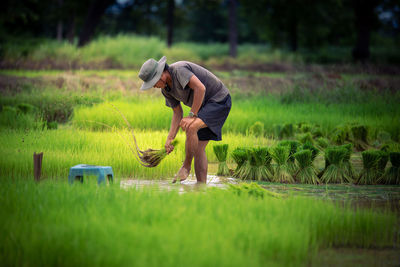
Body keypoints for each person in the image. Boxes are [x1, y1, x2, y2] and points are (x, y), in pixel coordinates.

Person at [138, 56, 231, 183]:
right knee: (198, 149)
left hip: (218, 100)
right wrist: (170, 138)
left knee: (191, 126)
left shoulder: (179, 70)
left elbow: (201, 88)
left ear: (161, 75)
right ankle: (201, 187)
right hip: (203, 107)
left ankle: (186, 166)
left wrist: (192, 115)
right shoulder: (166, 90)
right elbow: (177, 113)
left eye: (153, 83)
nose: (154, 86)